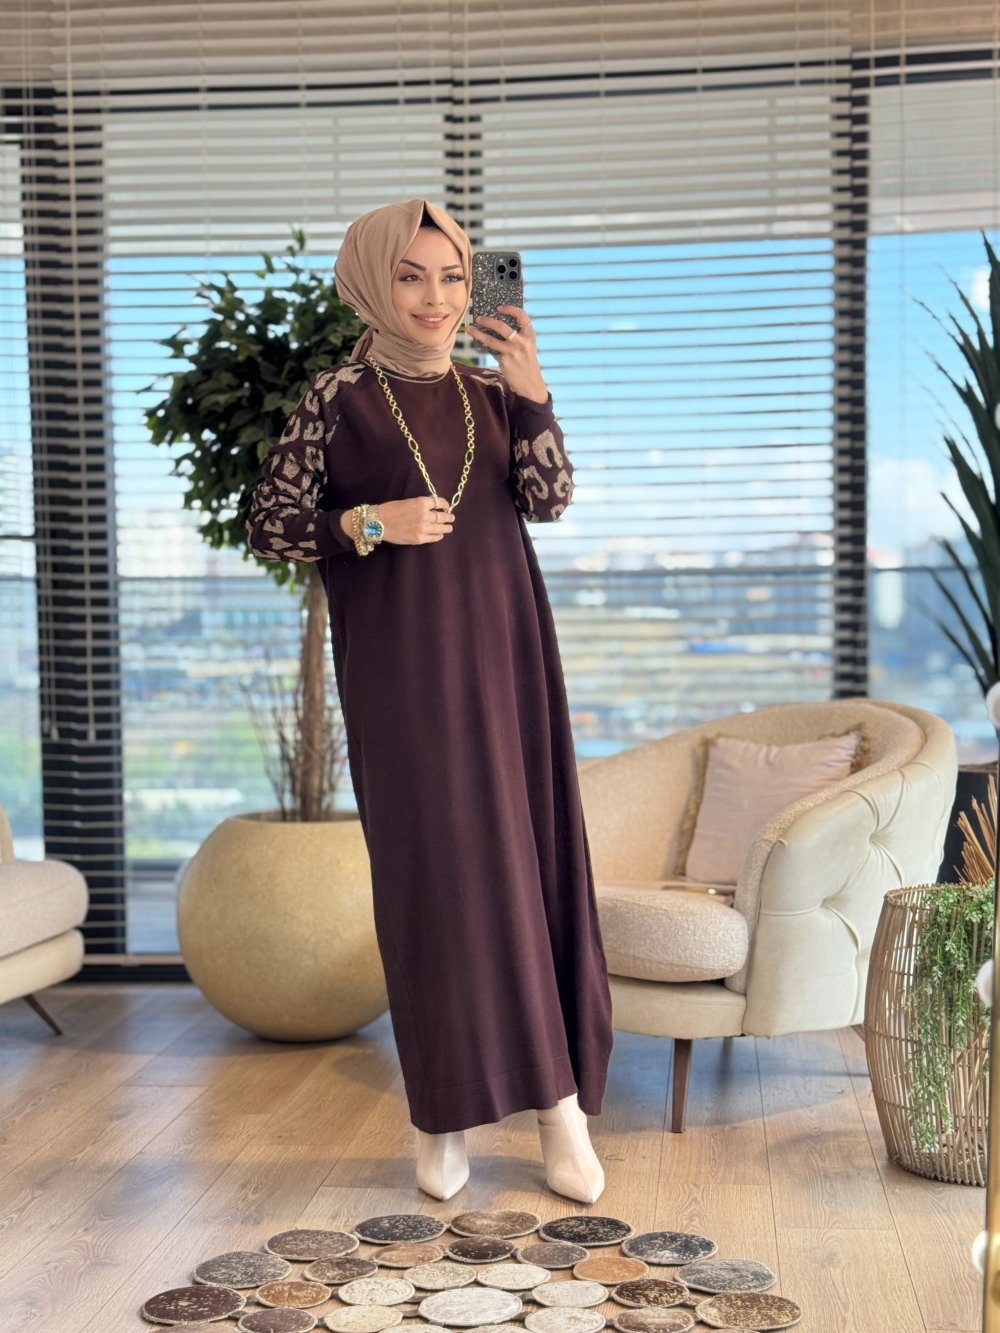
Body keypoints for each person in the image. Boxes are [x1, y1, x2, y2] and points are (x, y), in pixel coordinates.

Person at [245, 197, 614, 1204]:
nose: (437, 297)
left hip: (510, 661)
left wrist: (534, 394)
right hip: (403, 676)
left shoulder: (494, 392)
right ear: (373, 281)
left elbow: (547, 500)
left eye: (454, 276)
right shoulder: (337, 398)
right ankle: (442, 1116)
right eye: (411, 275)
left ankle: (560, 1111)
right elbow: (270, 521)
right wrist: (370, 522)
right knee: (435, 886)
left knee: (530, 870)